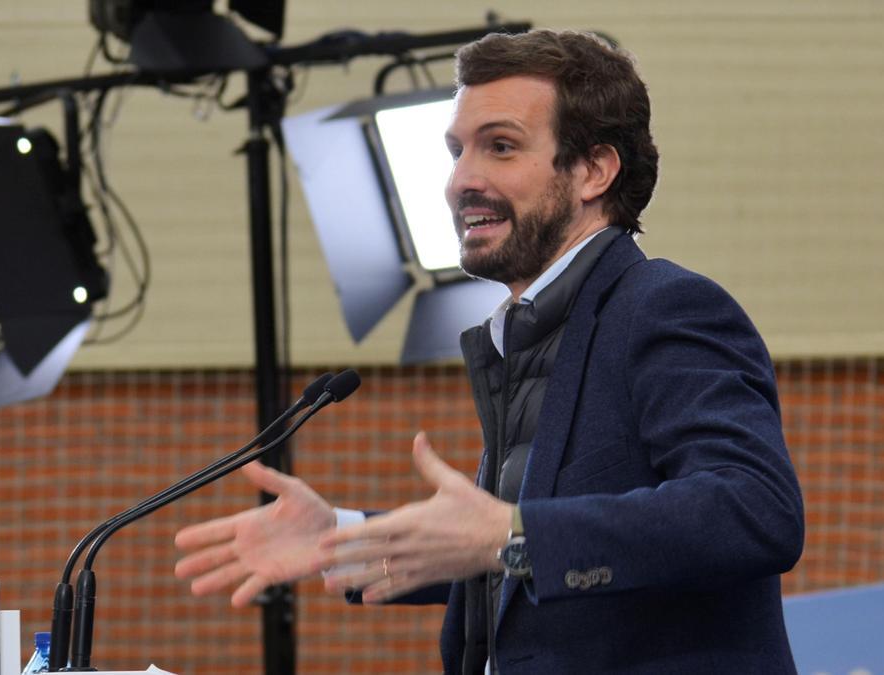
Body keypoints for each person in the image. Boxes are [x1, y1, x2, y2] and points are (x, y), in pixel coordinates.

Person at [174, 29, 805, 674]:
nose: (459, 183)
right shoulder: (530, 333)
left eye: (500, 147)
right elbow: (507, 555)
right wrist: (342, 537)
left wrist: (514, 536)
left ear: (593, 170)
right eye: (457, 152)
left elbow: (754, 510)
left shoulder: (664, 306)